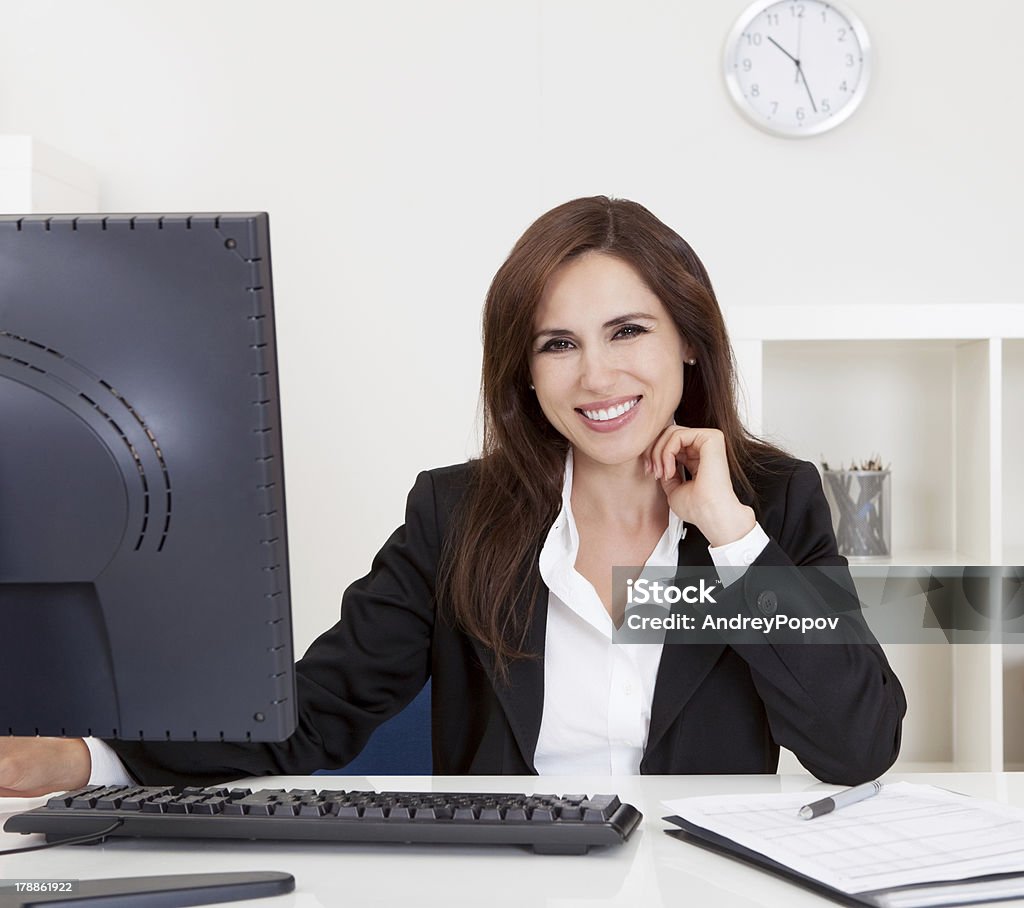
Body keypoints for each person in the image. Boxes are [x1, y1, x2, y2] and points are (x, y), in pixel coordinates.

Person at [0, 196, 905, 796]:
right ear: (525, 368)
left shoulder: (773, 504)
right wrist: (89, 758)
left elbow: (856, 747)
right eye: (557, 344)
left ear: (691, 342)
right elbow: (317, 710)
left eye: (627, 330)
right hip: (504, 880)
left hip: (698, 885)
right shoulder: (457, 513)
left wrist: (732, 535)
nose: (596, 376)